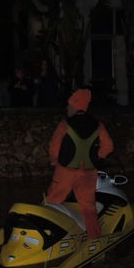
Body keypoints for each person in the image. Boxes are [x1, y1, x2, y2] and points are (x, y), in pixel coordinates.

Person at [45, 88, 114, 238]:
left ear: (76, 106)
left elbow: (54, 147)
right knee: (88, 207)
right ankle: (94, 237)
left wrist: (54, 162)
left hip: (65, 171)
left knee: (52, 202)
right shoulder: (98, 125)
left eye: (69, 105)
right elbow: (108, 147)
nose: (67, 108)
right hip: (88, 173)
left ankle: (48, 235)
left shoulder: (64, 124)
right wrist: (97, 158)